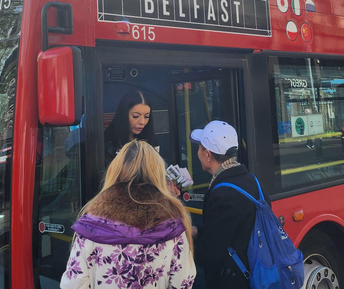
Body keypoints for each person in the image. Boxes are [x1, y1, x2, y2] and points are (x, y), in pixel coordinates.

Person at [61, 140, 196, 289]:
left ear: (115, 171)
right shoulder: (174, 225)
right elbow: (183, 282)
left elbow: (73, 284)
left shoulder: (90, 224)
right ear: (158, 174)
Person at [190, 120, 261, 289]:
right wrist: (198, 231)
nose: (197, 153)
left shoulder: (222, 194)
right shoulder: (252, 180)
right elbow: (233, 230)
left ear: (207, 154)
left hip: (232, 280)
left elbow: (209, 254)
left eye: (199, 148)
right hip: (254, 273)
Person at [104, 89, 157, 166]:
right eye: (136, 116)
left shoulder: (150, 138)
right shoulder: (110, 144)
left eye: (146, 116)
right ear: (124, 115)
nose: (142, 122)